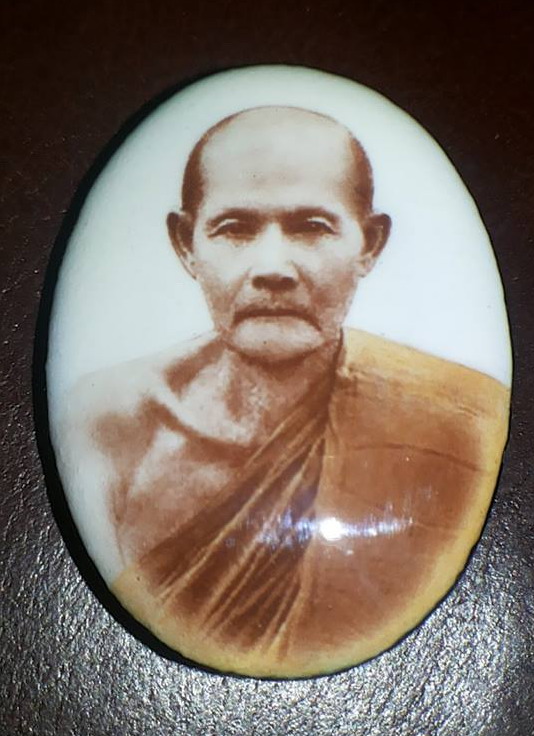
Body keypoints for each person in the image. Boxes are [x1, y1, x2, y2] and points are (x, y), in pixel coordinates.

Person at [62, 107, 509, 677]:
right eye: (234, 229)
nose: (273, 267)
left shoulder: (458, 421)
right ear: (185, 244)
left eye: (312, 227)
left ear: (370, 244)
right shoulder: (110, 423)